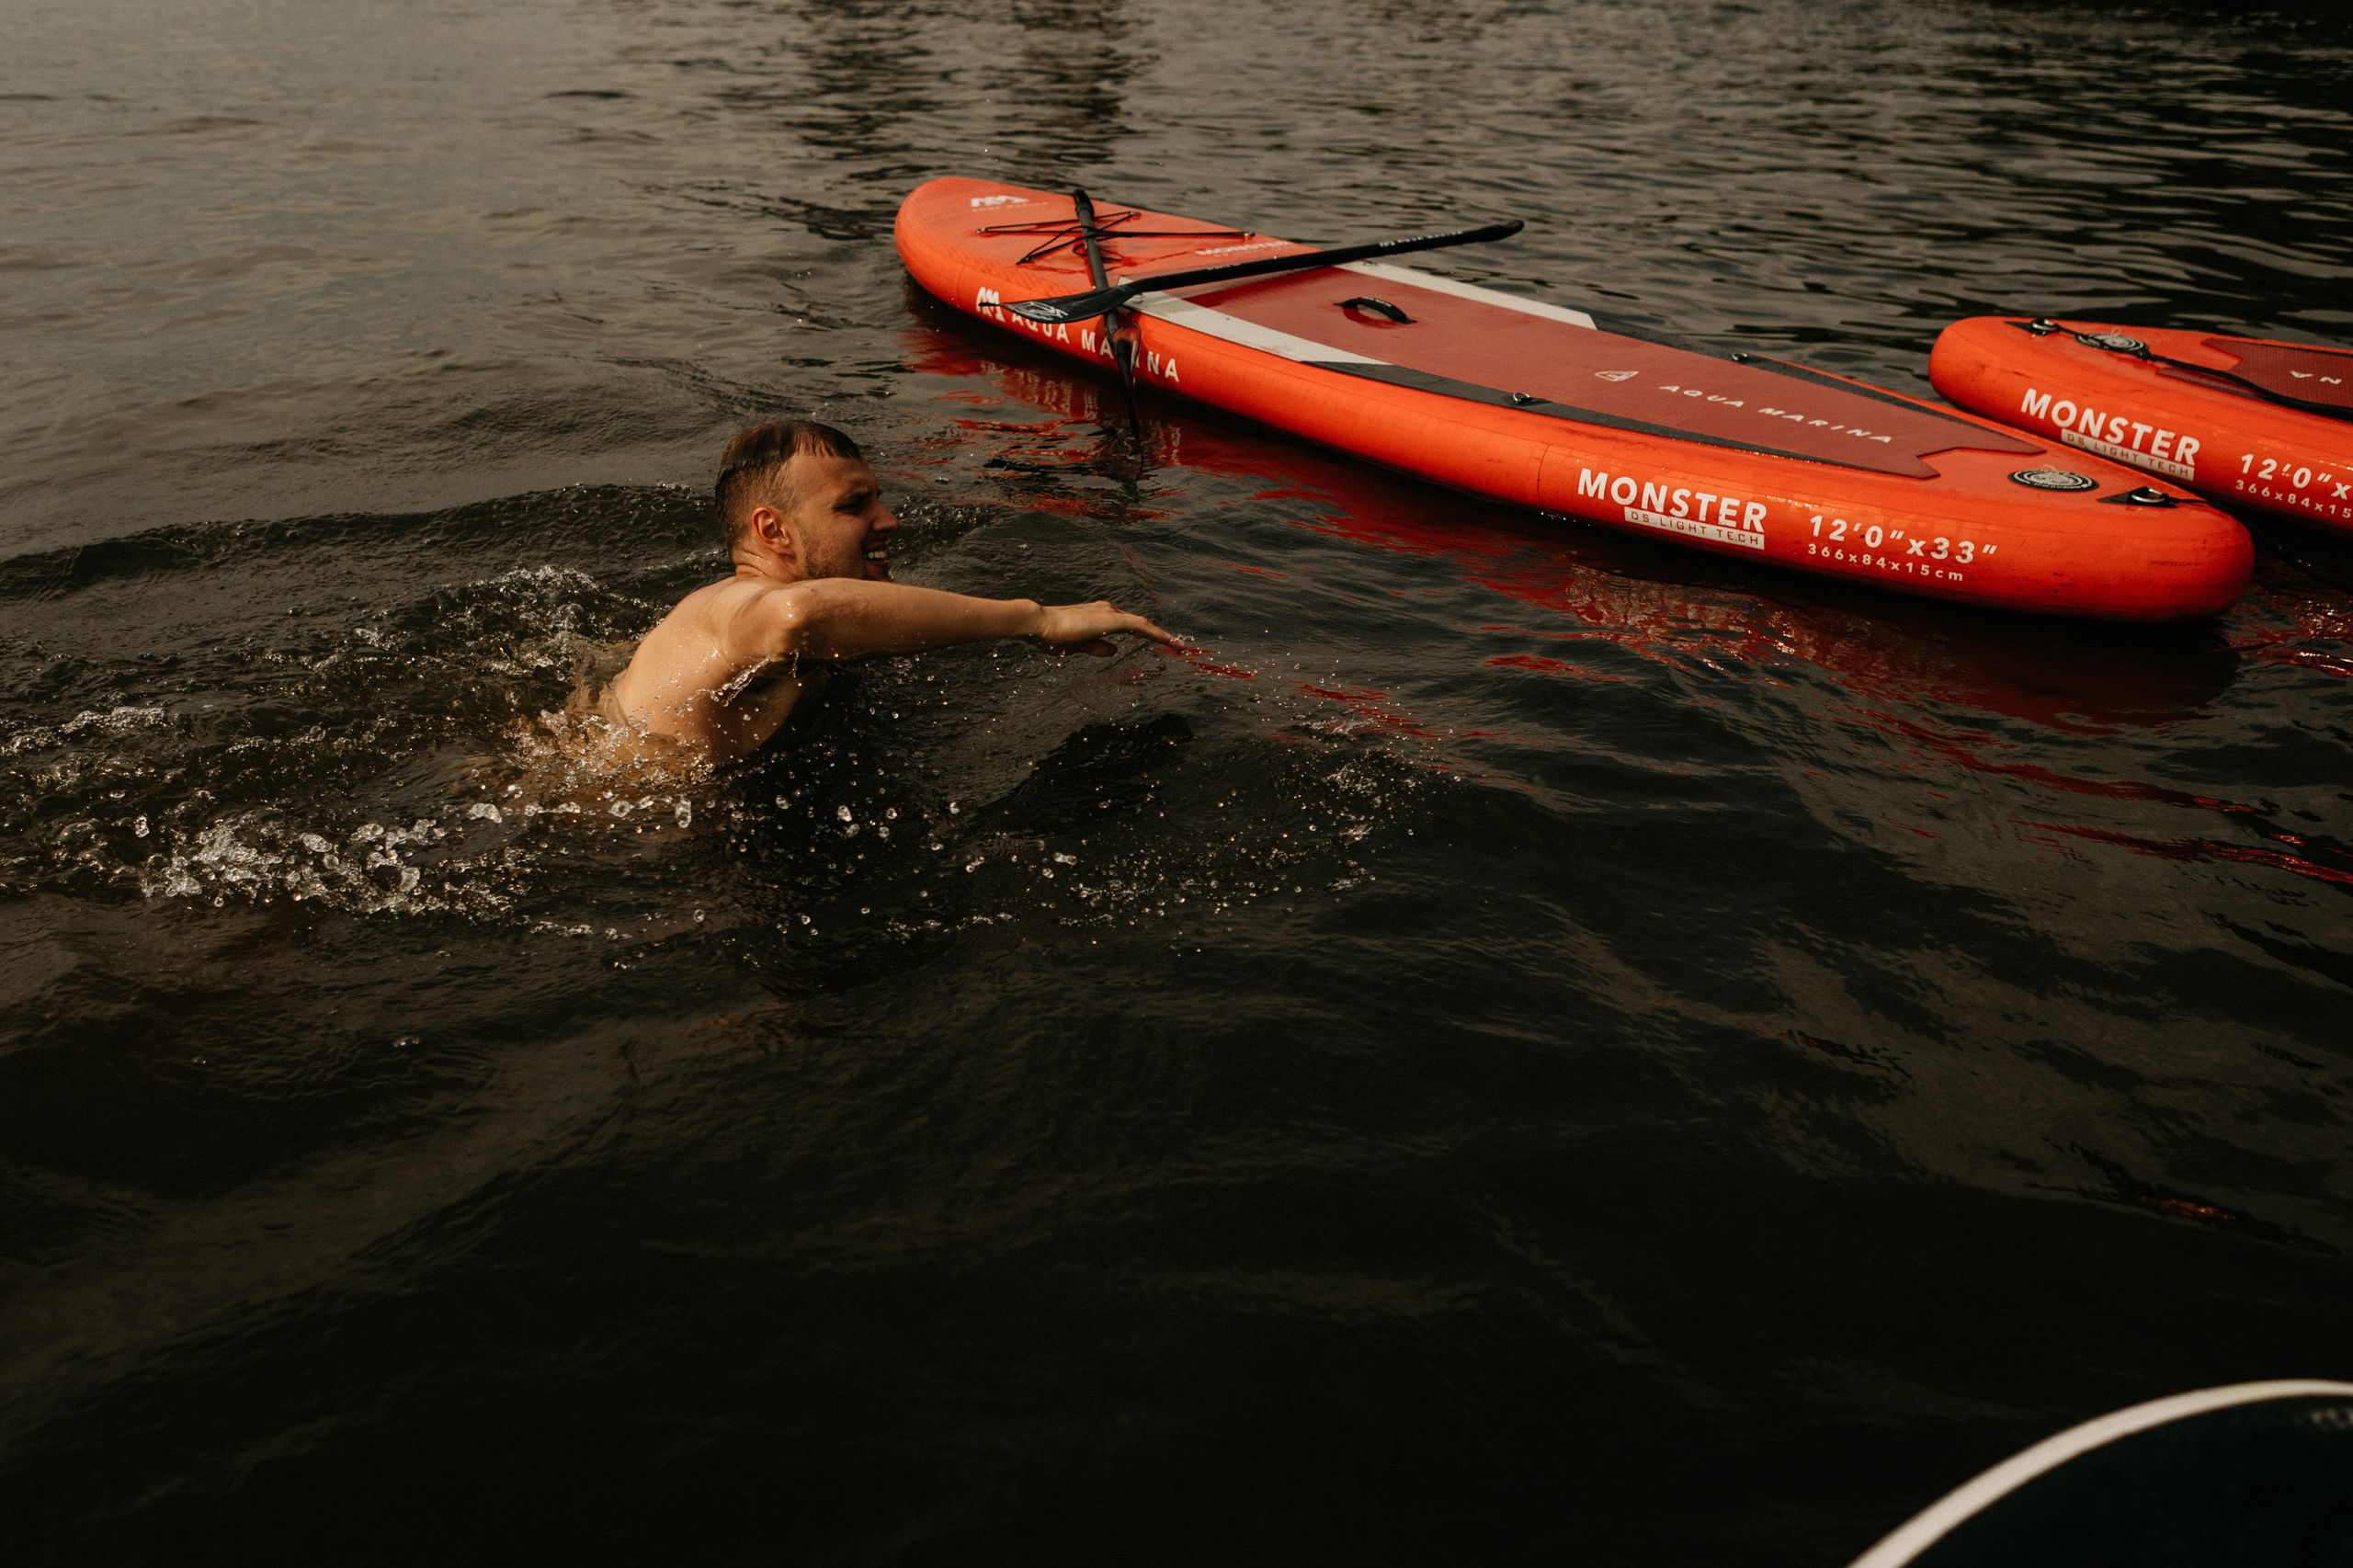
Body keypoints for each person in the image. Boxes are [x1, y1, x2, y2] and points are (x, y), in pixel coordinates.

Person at [604, 419, 1179, 765]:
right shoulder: (729, 608)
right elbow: (797, 618)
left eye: (877, 497)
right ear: (771, 531)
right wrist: (1038, 621)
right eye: (854, 506)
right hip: (623, 839)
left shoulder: (720, 624)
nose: (890, 520)